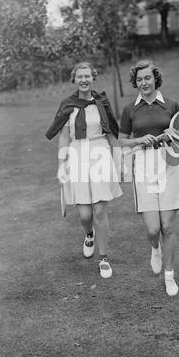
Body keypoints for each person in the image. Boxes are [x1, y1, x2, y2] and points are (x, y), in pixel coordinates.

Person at [46, 62, 122, 278]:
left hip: (100, 154)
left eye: (87, 75)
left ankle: (104, 258)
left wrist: (119, 161)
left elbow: (110, 133)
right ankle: (89, 234)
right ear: (75, 79)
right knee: (85, 214)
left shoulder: (101, 102)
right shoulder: (68, 104)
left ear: (93, 77)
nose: (84, 80)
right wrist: (61, 164)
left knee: (99, 210)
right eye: (80, 76)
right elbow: (63, 137)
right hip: (77, 156)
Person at [119, 59, 179, 296]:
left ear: (155, 78)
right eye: (139, 80)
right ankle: (154, 248)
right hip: (143, 167)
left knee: (167, 226)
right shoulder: (130, 110)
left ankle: (169, 275)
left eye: (147, 78)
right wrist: (138, 140)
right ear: (135, 83)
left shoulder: (171, 104)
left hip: (168, 165)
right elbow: (121, 140)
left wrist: (171, 135)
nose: (143, 83)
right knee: (152, 229)